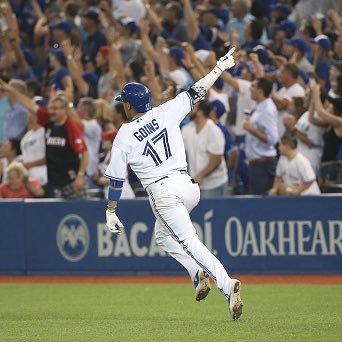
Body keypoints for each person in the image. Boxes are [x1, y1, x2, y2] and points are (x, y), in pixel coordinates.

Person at [104, 47, 243, 320]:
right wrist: (219, 69)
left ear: (129, 105)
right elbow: (197, 90)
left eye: (123, 102)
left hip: (164, 192)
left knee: (190, 242)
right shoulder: (166, 111)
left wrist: (110, 210)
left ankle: (227, 284)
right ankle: (197, 273)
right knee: (163, 237)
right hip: (189, 186)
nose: (122, 106)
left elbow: (117, 180)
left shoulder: (124, 134)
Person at [182, 100, 228, 198]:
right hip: (195, 185)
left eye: (193, 108)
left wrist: (201, 175)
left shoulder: (213, 130)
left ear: (200, 112)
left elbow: (216, 160)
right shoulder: (186, 129)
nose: (190, 110)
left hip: (214, 184)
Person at [244, 77, 279, 195]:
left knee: (262, 207)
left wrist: (251, 129)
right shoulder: (260, 107)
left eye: (253, 86)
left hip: (263, 166)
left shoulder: (267, 110)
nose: (250, 88)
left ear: (260, 90)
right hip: (256, 165)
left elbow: (272, 139)